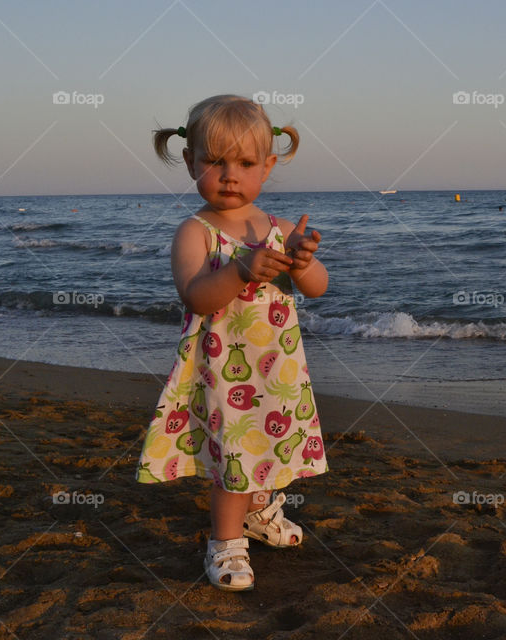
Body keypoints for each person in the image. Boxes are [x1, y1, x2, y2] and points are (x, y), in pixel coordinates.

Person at [136, 95, 328, 591]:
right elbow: (198, 296)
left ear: (267, 166)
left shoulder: (279, 229)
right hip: (222, 369)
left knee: (272, 446)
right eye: (214, 161)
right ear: (190, 163)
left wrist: (302, 263)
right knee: (233, 457)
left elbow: (318, 287)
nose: (228, 174)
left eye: (244, 163)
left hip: (278, 368)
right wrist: (241, 269)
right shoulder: (194, 232)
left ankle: (260, 514)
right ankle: (224, 542)